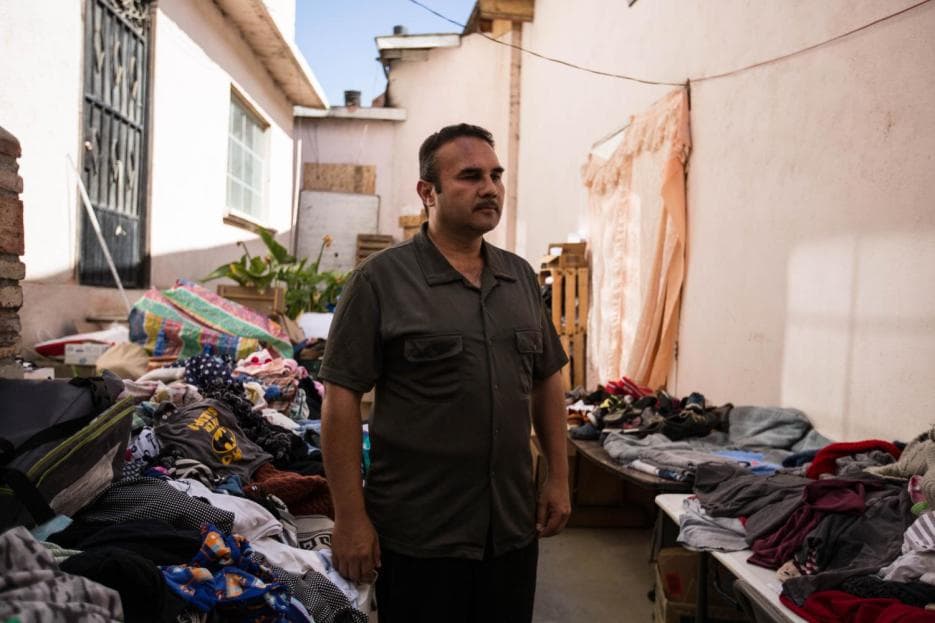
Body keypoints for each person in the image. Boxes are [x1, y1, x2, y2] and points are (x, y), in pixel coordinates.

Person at [318, 123, 570, 622]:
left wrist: (558, 478)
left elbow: (547, 379)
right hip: (419, 536)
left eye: (496, 175)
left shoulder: (519, 277)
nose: (490, 188)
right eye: (470, 176)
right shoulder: (380, 281)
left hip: (510, 529)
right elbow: (340, 399)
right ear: (427, 192)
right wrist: (349, 517)